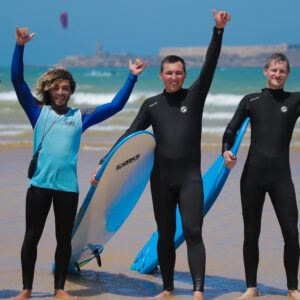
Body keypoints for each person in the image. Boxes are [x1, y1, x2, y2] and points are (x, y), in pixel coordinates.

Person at [91, 10, 230, 300]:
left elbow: (211, 63)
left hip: (190, 178)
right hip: (161, 180)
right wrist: (104, 163)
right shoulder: (152, 104)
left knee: (192, 231)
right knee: (165, 235)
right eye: (169, 73)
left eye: (179, 73)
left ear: (184, 75)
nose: (174, 77)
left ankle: (198, 291)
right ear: (161, 75)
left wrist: (218, 30)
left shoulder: (195, 96)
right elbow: (130, 135)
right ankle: (167, 289)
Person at [11, 26, 146, 300]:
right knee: (31, 236)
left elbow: (114, 106)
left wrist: (132, 78)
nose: (61, 92)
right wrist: (20, 47)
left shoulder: (79, 116)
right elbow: (17, 80)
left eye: (65, 88)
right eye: (56, 87)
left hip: (67, 188)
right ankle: (26, 290)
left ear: (71, 90)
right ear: (49, 90)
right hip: (39, 185)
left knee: (64, 240)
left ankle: (59, 289)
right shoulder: (37, 112)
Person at [222, 53, 300, 300]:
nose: (278, 75)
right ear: (265, 71)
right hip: (252, 176)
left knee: (292, 232)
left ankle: (292, 288)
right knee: (251, 232)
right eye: (274, 70)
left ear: (288, 75)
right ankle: (251, 287)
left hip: (281, 177)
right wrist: (226, 150)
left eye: (282, 71)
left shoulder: (295, 100)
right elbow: (231, 129)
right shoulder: (251, 100)